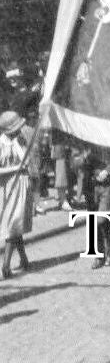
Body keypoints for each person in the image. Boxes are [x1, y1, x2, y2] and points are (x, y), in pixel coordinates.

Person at [0, 110, 36, 278]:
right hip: (7, 186)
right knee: (13, 224)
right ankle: (14, 261)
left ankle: (15, 262)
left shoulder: (19, 140)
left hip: (21, 185)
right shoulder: (1, 144)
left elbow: (26, 161)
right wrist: (15, 168)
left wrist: (17, 145)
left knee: (16, 222)